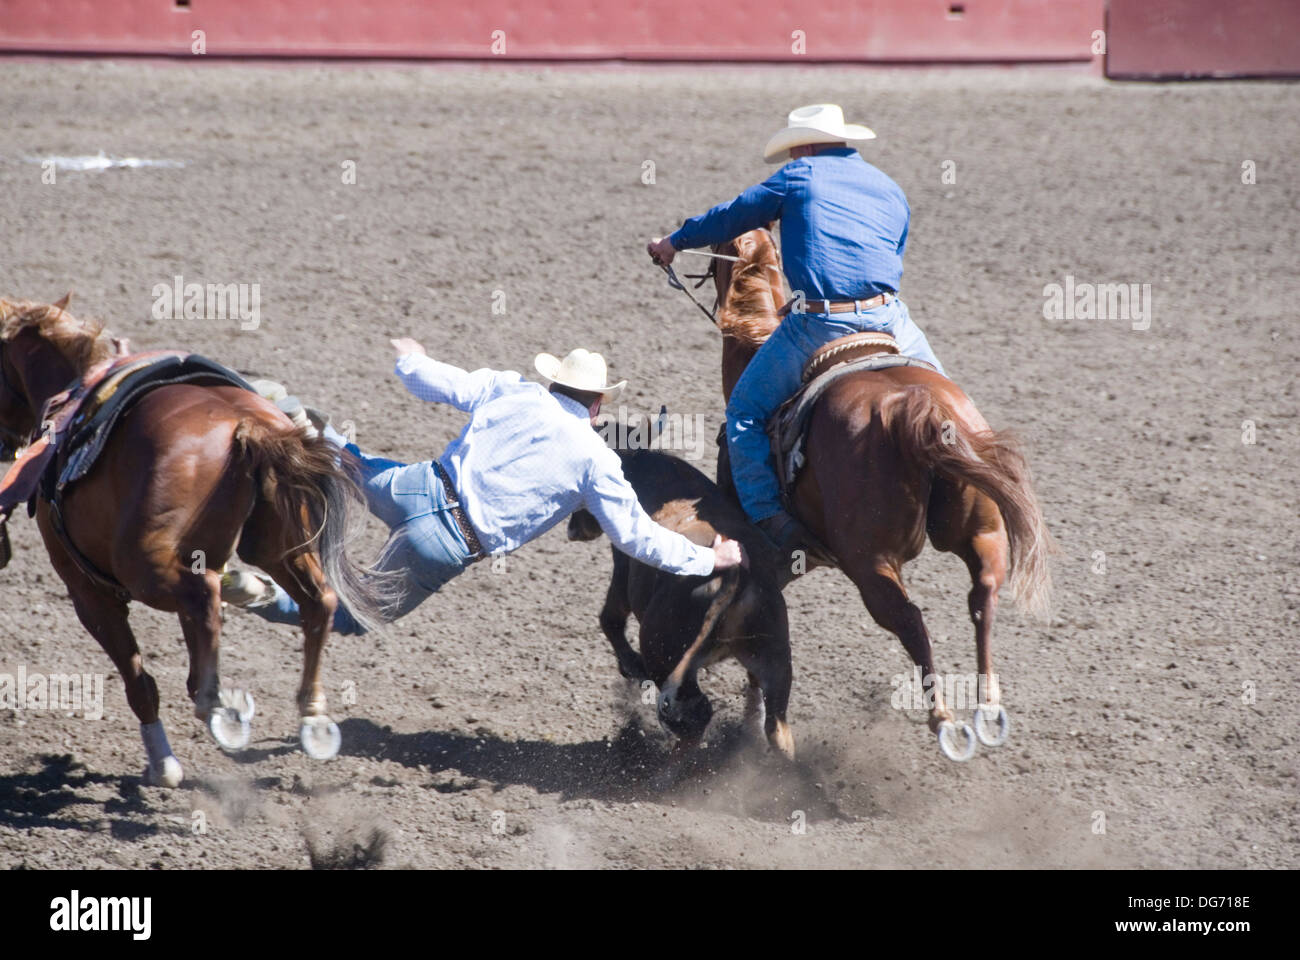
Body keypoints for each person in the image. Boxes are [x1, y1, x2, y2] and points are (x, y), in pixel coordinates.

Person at [221, 339, 746, 633]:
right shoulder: (596, 460)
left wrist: (411, 355)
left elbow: (433, 382)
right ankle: (262, 594)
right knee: (355, 615)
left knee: (348, 460)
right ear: (598, 404)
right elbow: (637, 538)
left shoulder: (513, 391)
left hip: (417, 486)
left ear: (553, 381)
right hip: (448, 544)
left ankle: (300, 421)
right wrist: (708, 560)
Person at [647, 103, 945, 553]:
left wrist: (675, 241)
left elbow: (732, 216)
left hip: (822, 322)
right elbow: (890, 254)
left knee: (744, 415)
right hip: (891, 318)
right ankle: (962, 489)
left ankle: (770, 519)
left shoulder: (799, 176)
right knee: (944, 403)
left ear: (803, 146)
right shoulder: (888, 187)